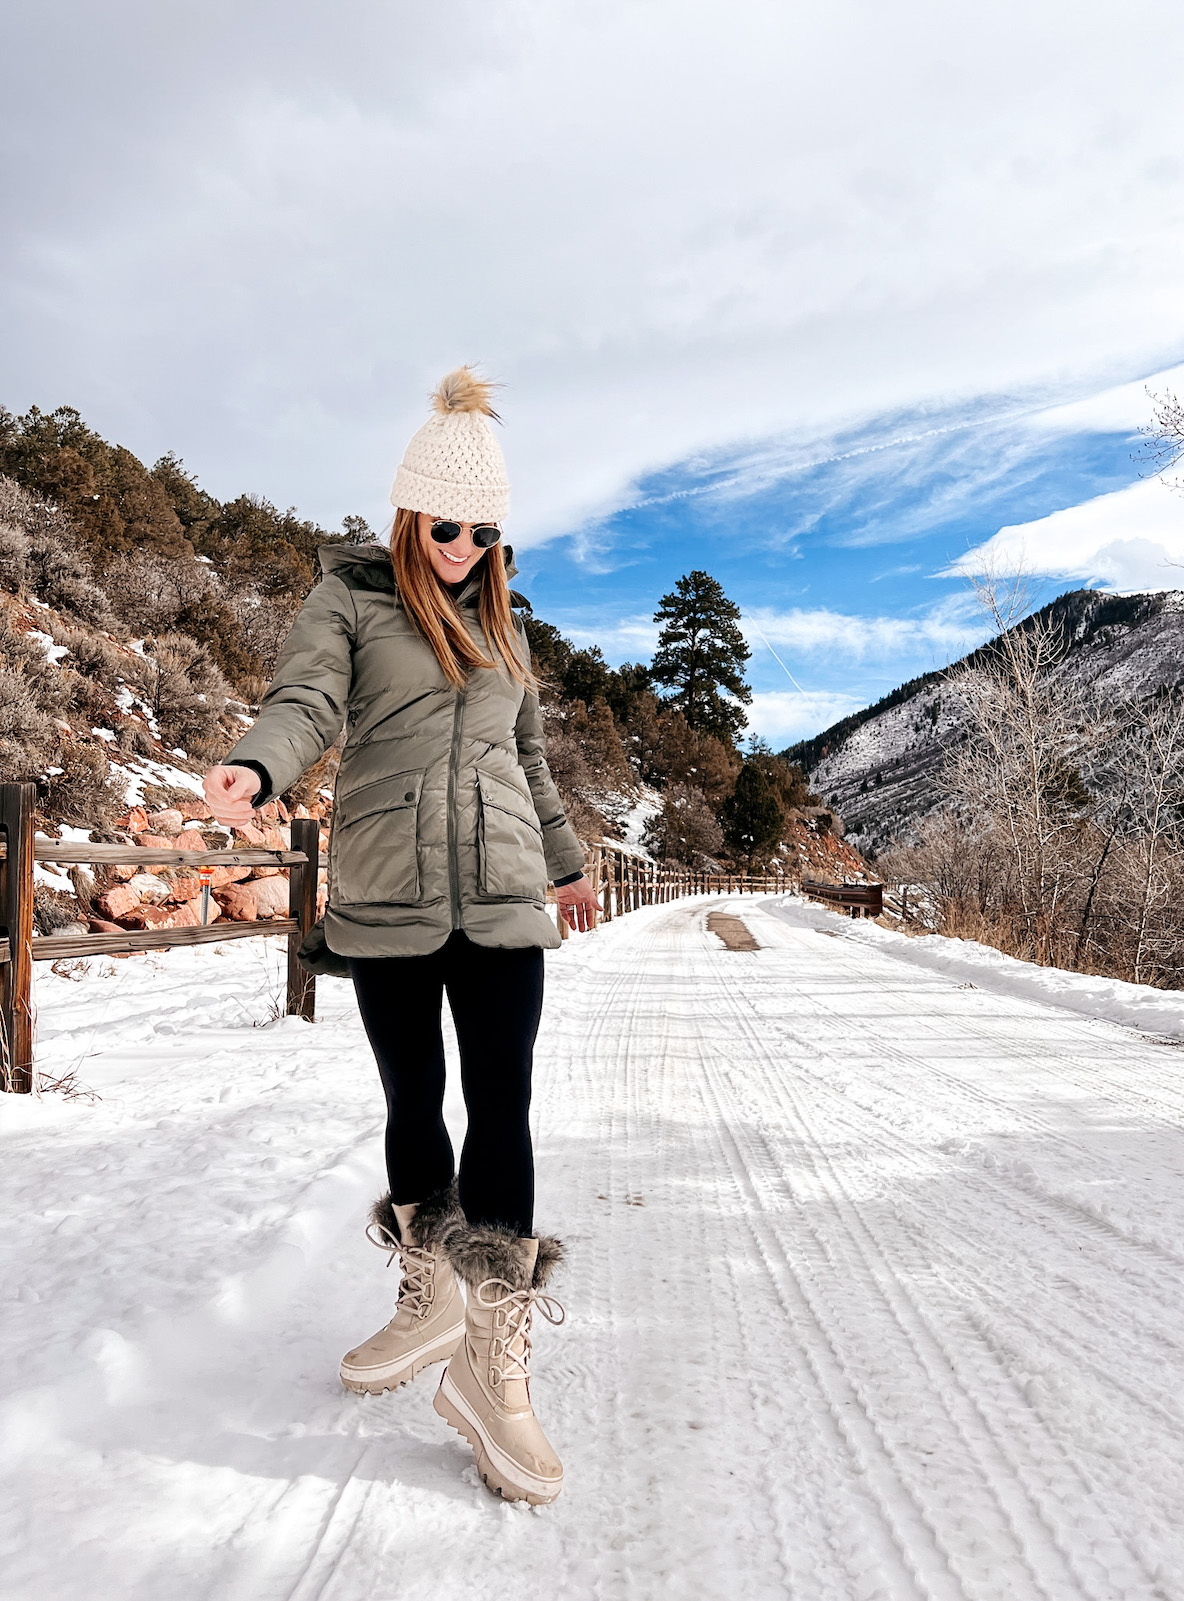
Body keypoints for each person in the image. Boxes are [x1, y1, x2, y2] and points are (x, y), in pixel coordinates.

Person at [202, 367, 601, 1506]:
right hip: (387, 893)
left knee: (506, 1104)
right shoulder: (350, 600)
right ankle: (429, 1297)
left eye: (485, 529)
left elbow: (528, 761)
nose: (466, 545)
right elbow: (308, 700)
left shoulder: (503, 621)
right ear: (409, 511)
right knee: (415, 1100)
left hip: (504, 893)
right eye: (447, 524)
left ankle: (491, 1361)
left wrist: (566, 866)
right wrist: (262, 761)